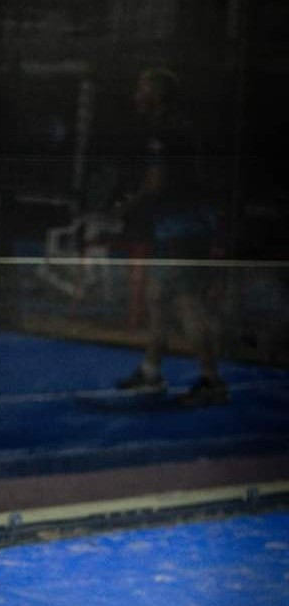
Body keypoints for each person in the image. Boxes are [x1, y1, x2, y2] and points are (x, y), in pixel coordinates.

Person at [114, 67, 228, 406]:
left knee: (188, 303)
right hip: (177, 227)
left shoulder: (166, 132)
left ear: (157, 96)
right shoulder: (174, 128)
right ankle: (151, 372)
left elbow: (156, 184)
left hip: (185, 229)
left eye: (142, 89)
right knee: (158, 298)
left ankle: (212, 382)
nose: (136, 95)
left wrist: (126, 206)